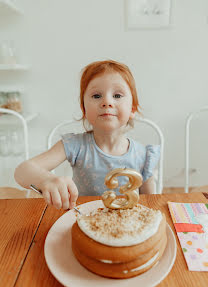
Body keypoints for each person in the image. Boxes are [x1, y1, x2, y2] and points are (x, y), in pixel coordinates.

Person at [14, 60, 160, 210]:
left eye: (117, 95)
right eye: (97, 96)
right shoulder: (75, 145)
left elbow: (150, 205)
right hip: (85, 222)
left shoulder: (144, 155)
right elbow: (22, 171)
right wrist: (47, 180)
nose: (107, 102)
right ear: (84, 110)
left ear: (132, 110)